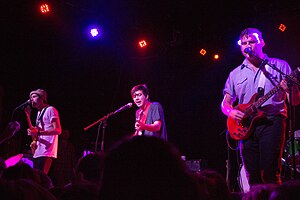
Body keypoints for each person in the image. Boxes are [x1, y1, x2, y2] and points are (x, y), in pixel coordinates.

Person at [221, 28, 300, 186]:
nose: (247, 46)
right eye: (244, 43)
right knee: (253, 176)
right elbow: (225, 103)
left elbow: (294, 101)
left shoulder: (279, 65)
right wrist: (231, 112)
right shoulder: (235, 73)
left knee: (270, 172)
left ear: (262, 42)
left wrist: (289, 89)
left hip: (272, 122)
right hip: (247, 127)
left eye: (252, 42)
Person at [25, 89, 62, 175]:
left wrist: (38, 133)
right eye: (30, 97)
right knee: (35, 177)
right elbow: (35, 132)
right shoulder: (39, 113)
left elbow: (58, 130)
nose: (31, 99)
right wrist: (28, 117)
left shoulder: (51, 109)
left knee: (41, 178)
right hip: (38, 150)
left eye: (34, 96)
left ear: (42, 98)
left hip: (47, 151)